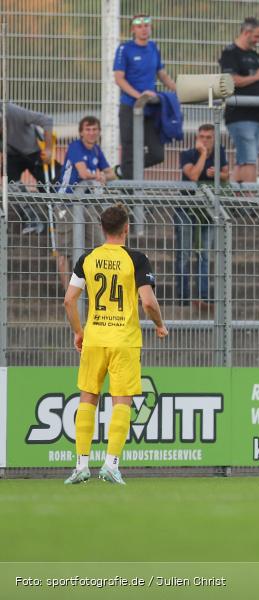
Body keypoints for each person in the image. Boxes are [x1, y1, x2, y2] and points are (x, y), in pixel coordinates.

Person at [62, 204, 168, 485]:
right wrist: (159, 324)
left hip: (94, 338)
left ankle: (81, 465)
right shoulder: (136, 259)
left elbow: (69, 300)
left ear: (101, 228)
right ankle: (111, 464)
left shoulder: (87, 258)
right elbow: (147, 302)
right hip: (124, 340)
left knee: (88, 398)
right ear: (126, 229)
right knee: (122, 401)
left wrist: (78, 331)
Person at [114, 13, 177, 180]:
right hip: (130, 107)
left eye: (146, 25)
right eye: (139, 26)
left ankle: (123, 171)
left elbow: (161, 73)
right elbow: (119, 78)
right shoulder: (124, 49)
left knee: (157, 154)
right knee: (128, 150)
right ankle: (129, 196)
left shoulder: (154, 47)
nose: (143, 29)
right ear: (133, 29)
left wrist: (177, 89)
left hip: (149, 108)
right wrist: (139, 96)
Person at [176, 124, 229, 309]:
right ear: (197, 138)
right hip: (186, 209)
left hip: (207, 211)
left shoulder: (220, 152)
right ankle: (182, 300)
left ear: (214, 138)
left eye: (208, 137)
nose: (205, 140)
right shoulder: (188, 154)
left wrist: (219, 175)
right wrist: (204, 155)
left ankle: (203, 298)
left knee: (204, 254)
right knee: (183, 254)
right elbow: (193, 175)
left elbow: (226, 174)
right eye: (202, 137)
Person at [219, 17, 259, 184]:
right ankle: (248, 203)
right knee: (249, 159)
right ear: (246, 32)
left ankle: (235, 200)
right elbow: (232, 80)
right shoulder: (230, 52)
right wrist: (257, 75)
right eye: (257, 36)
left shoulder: (253, 54)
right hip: (239, 115)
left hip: (256, 115)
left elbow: (258, 82)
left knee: (244, 160)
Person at [0, 101, 58, 233]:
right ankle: (32, 219)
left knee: (47, 185)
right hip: (12, 155)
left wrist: (49, 150)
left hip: (34, 151)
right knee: (11, 184)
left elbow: (47, 120)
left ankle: (57, 218)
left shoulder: (14, 111)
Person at [58, 116, 117, 194]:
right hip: (66, 198)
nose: (91, 133)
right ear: (81, 132)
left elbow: (112, 174)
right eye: (88, 129)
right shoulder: (75, 147)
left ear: (99, 131)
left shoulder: (96, 149)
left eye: (94, 129)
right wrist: (98, 176)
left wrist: (104, 176)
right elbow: (83, 174)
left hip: (86, 199)